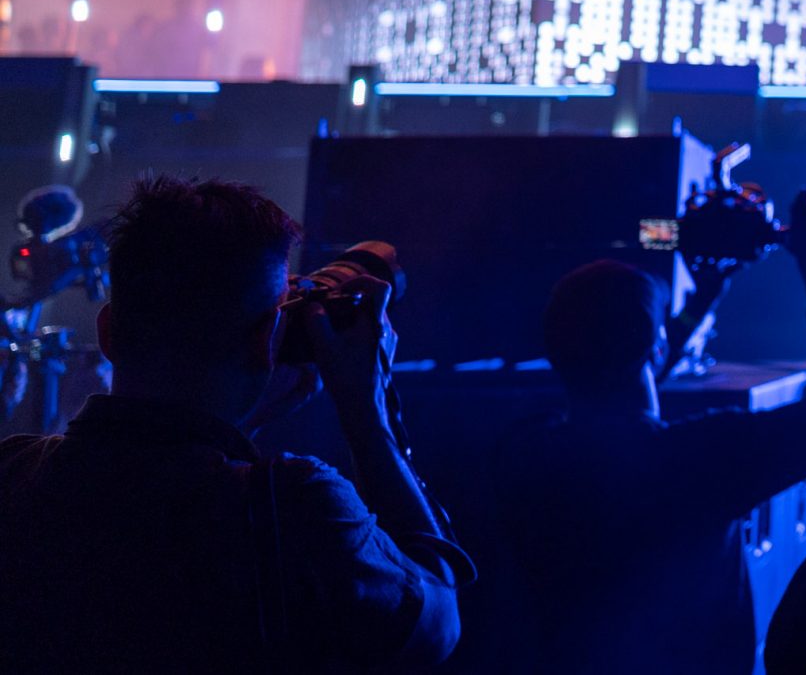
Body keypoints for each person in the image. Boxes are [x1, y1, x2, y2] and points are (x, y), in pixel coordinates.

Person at [0, 177, 470, 672]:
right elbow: (436, 625)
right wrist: (367, 411)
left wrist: (242, 423)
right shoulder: (293, 505)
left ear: (108, 331)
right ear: (271, 338)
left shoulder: (13, 473)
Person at [496, 189, 806, 675]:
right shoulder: (698, 460)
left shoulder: (526, 456)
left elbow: (622, 376)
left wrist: (703, 298)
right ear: (655, 349)